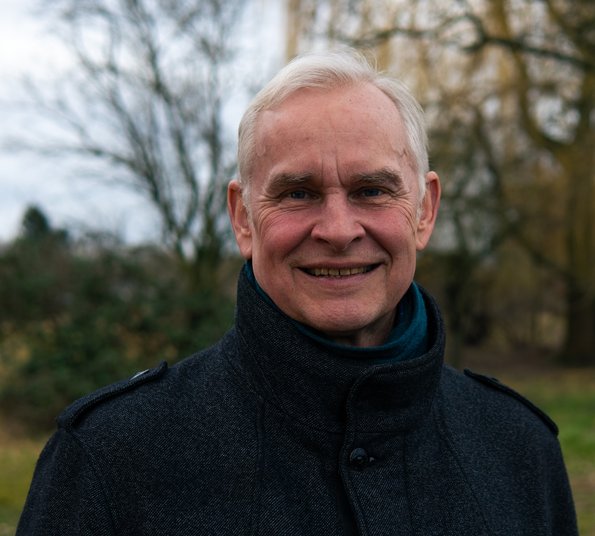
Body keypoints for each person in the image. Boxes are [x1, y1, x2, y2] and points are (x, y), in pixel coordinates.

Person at [17, 49, 577, 535]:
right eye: (298, 193)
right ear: (242, 218)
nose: (338, 230)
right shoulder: (111, 457)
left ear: (425, 211)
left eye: (371, 190)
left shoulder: (519, 449)